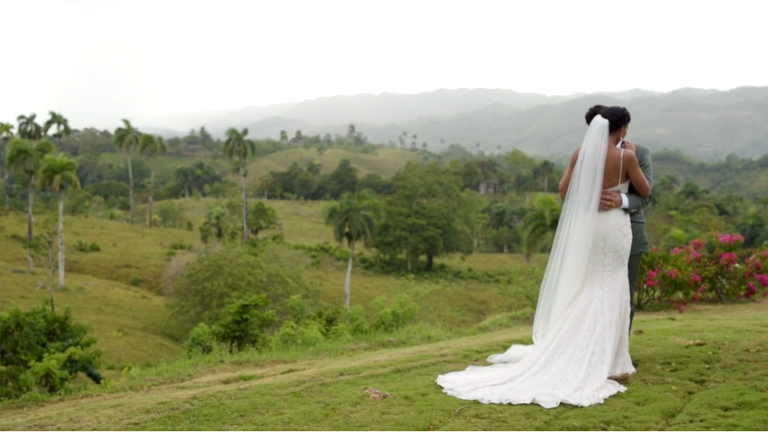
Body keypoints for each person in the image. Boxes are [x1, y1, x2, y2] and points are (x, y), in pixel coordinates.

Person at [435, 107, 651, 409]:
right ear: (622, 128)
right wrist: (618, 193)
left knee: (592, 285)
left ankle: (590, 351)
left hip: (590, 227)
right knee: (612, 286)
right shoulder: (627, 156)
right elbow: (645, 190)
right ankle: (612, 360)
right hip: (614, 226)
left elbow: (564, 192)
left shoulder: (580, 154)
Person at [585, 105, 654, 332]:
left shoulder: (638, 153)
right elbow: (570, 192)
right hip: (593, 231)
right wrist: (591, 200)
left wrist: (620, 200)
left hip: (629, 232)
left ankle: (619, 351)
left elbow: (646, 196)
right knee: (589, 292)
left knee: (624, 295)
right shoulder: (586, 153)